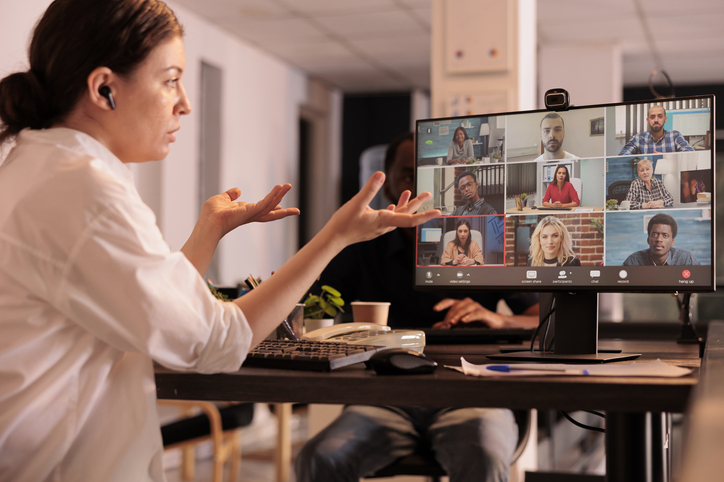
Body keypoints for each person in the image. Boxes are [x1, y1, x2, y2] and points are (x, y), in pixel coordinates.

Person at [0, 2, 439, 481]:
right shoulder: (86, 191)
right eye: (170, 80)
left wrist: (208, 230)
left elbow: (154, 314)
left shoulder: (38, 167)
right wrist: (337, 235)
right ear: (105, 88)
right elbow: (217, 341)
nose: (184, 102)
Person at [294, 132, 539, 482]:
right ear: (390, 188)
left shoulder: (488, 241)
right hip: (383, 398)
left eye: (435, 177)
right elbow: (314, 308)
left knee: (483, 455)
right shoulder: (362, 249)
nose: (423, 188)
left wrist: (496, 318)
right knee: (318, 458)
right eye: (410, 176)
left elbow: (542, 319)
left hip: (471, 396)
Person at [623, 213, 701, 266]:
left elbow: (701, 282)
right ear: (648, 239)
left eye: (665, 235)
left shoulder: (686, 259)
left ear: (672, 241)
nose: (659, 239)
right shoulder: (634, 261)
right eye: (654, 235)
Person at [618, 105, 694, 155]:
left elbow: (690, 154)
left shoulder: (675, 136)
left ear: (665, 119)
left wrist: (666, 158)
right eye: (652, 117)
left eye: (660, 116)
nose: (656, 120)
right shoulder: (638, 138)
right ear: (647, 120)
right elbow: (622, 157)